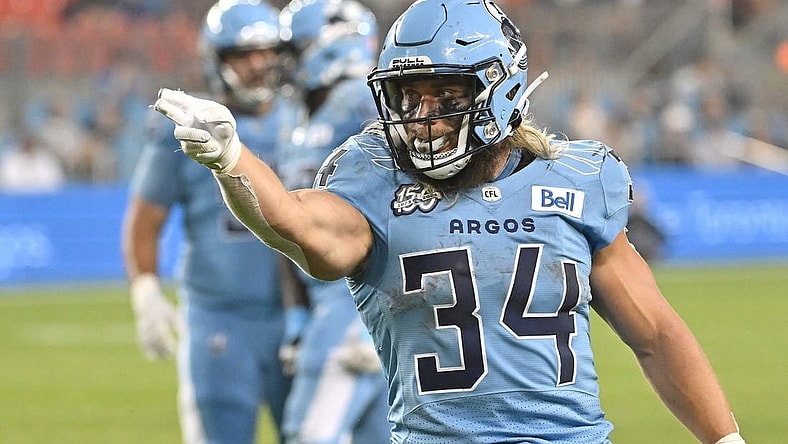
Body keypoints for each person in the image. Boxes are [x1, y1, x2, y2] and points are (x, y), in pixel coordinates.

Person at [151, 0, 746, 442]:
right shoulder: (375, 177)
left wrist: (727, 440)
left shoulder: (575, 180)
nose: (422, 118)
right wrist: (231, 160)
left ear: (500, 91)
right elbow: (296, 224)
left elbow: (656, 335)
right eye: (408, 98)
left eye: (444, 96)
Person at [122, 1, 300, 443]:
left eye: (266, 52)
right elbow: (145, 219)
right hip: (219, 315)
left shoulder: (309, 120)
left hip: (298, 316)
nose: (259, 65)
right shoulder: (184, 127)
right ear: (217, 61)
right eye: (243, 54)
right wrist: (145, 292)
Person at [275, 0, 391, 442]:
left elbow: (410, 208)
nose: (286, 63)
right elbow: (285, 225)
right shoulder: (299, 117)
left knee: (307, 434)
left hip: (357, 305)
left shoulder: (364, 101)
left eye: (296, 48)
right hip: (325, 303)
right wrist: (296, 315)